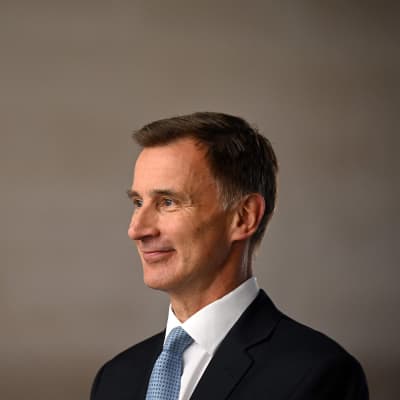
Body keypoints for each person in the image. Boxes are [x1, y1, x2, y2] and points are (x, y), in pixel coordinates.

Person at [90, 112, 368, 400]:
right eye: (138, 202)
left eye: (168, 202)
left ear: (244, 217)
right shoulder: (115, 379)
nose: (136, 229)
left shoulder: (319, 375)